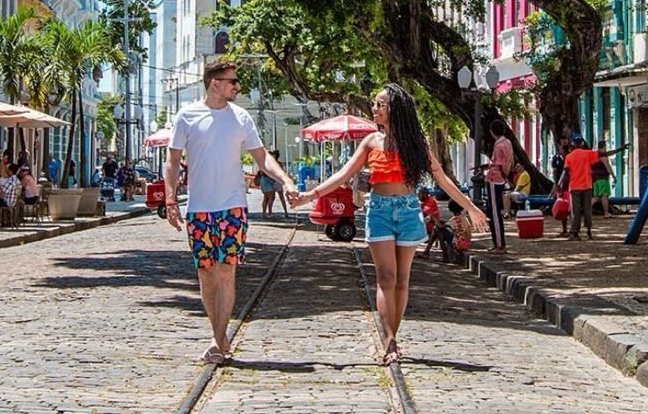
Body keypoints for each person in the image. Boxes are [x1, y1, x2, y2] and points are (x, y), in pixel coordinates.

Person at [296, 83, 487, 365]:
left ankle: (392, 335)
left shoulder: (416, 144)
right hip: (380, 211)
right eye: (374, 103)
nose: (374, 109)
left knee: (401, 281)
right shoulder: (370, 142)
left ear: (395, 109)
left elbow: (443, 180)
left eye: (380, 104)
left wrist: (471, 208)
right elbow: (343, 174)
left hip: (409, 211)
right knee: (386, 278)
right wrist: (311, 196)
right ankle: (390, 341)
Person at [164, 59, 296, 365]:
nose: (237, 86)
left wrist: (285, 179)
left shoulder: (241, 118)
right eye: (232, 81)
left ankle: (216, 341)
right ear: (215, 83)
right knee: (206, 274)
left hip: (233, 207)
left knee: (226, 270)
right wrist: (170, 200)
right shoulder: (186, 116)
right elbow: (172, 161)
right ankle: (220, 335)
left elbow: (262, 159)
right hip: (198, 209)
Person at [483, 120, 514, 252]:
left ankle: (500, 244)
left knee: (494, 212)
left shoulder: (499, 145)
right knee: (492, 211)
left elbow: (500, 165)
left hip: (495, 179)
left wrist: (505, 176)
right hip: (500, 178)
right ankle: (497, 243)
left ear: (492, 131)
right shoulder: (508, 142)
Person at [565, 134, 599, 240]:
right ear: (582, 143)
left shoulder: (569, 157)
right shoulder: (587, 154)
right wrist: (619, 149)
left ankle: (574, 232)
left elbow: (566, 172)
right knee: (587, 209)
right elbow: (602, 154)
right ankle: (589, 231)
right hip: (586, 185)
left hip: (574, 186)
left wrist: (561, 186)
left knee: (575, 211)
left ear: (573, 144)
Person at [593, 139, 627, 217]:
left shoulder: (596, 154)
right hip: (602, 178)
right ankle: (606, 213)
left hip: (596, 179)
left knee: (597, 197)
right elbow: (608, 166)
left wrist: (620, 149)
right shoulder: (602, 156)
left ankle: (587, 210)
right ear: (604, 146)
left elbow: (609, 153)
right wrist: (613, 176)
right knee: (605, 195)